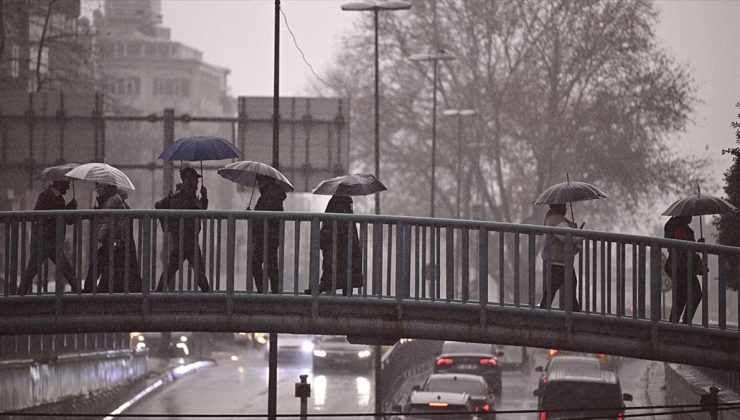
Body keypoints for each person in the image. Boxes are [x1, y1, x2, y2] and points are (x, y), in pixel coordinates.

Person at [18, 180, 79, 295]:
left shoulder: (55, 197)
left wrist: (70, 208)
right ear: (59, 184)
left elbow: (61, 217)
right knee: (65, 268)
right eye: (66, 185)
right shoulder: (47, 196)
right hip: (46, 240)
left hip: (49, 239)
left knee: (33, 270)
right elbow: (44, 215)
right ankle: (80, 293)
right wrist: (67, 210)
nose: (68, 188)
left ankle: (19, 295)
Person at [156, 167, 210, 292]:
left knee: (174, 269)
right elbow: (194, 213)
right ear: (187, 180)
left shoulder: (189, 196)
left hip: (187, 239)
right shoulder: (180, 197)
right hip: (185, 239)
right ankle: (210, 297)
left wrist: (204, 197)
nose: (197, 183)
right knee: (196, 270)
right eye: (195, 180)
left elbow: (200, 212)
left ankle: (157, 293)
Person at [83, 183, 139, 293]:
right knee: (105, 265)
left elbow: (106, 223)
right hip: (117, 241)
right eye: (97, 187)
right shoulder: (116, 199)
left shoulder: (111, 201)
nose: (98, 189)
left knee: (97, 264)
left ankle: (88, 291)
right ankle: (93, 289)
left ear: (107, 188)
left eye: (100, 187)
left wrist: (99, 239)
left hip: (111, 240)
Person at [305, 195, 363, 296]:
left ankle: (321, 291)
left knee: (333, 270)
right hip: (346, 245)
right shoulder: (348, 205)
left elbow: (328, 223)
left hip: (336, 245)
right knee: (348, 273)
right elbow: (350, 228)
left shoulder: (335, 202)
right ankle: (347, 299)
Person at [540, 203, 582, 312]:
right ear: (557, 207)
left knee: (557, 289)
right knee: (562, 289)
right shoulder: (556, 221)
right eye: (563, 206)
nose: (565, 208)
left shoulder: (554, 219)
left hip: (560, 261)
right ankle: (575, 314)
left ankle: (543, 313)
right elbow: (567, 236)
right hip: (558, 262)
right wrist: (580, 234)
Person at [664, 215, 703, 323]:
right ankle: (683, 323)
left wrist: (697, 245)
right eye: (689, 214)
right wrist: (697, 245)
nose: (691, 217)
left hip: (679, 267)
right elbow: (683, 249)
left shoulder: (672, 226)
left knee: (681, 297)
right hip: (682, 268)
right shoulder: (681, 229)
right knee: (692, 295)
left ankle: (675, 324)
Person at [251, 178, 287, 293]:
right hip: (271, 235)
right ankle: (274, 291)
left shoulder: (268, 195)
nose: (258, 183)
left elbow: (263, 215)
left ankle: (262, 290)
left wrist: (254, 216)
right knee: (271, 264)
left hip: (265, 235)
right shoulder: (274, 194)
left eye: (260, 179)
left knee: (256, 263)